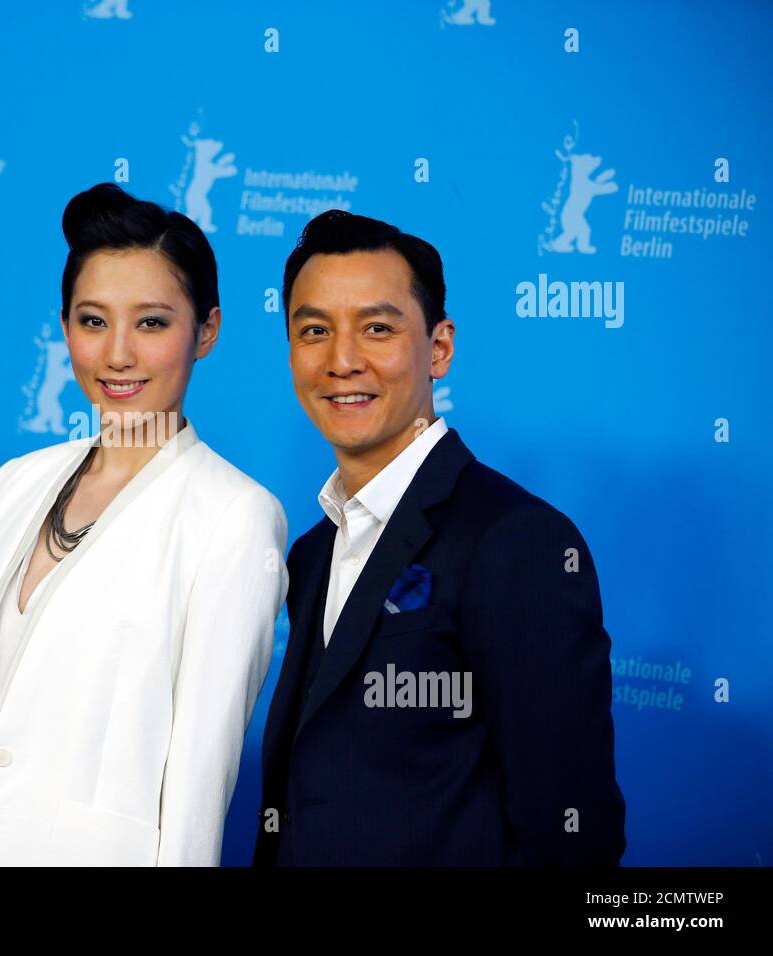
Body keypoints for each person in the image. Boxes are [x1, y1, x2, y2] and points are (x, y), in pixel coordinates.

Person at [0, 183, 288, 866]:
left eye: (153, 322)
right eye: (93, 320)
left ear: (209, 330)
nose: (117, 354)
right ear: (65, 325)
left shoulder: (234, 515)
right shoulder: (16, 483)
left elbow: (200, 778)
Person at [255, 210, 626, 866]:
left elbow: (570, 830)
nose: (342, 361)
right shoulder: (313, 552)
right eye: (314, 331)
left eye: (377, 328)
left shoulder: (517, 540)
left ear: (440, 347)